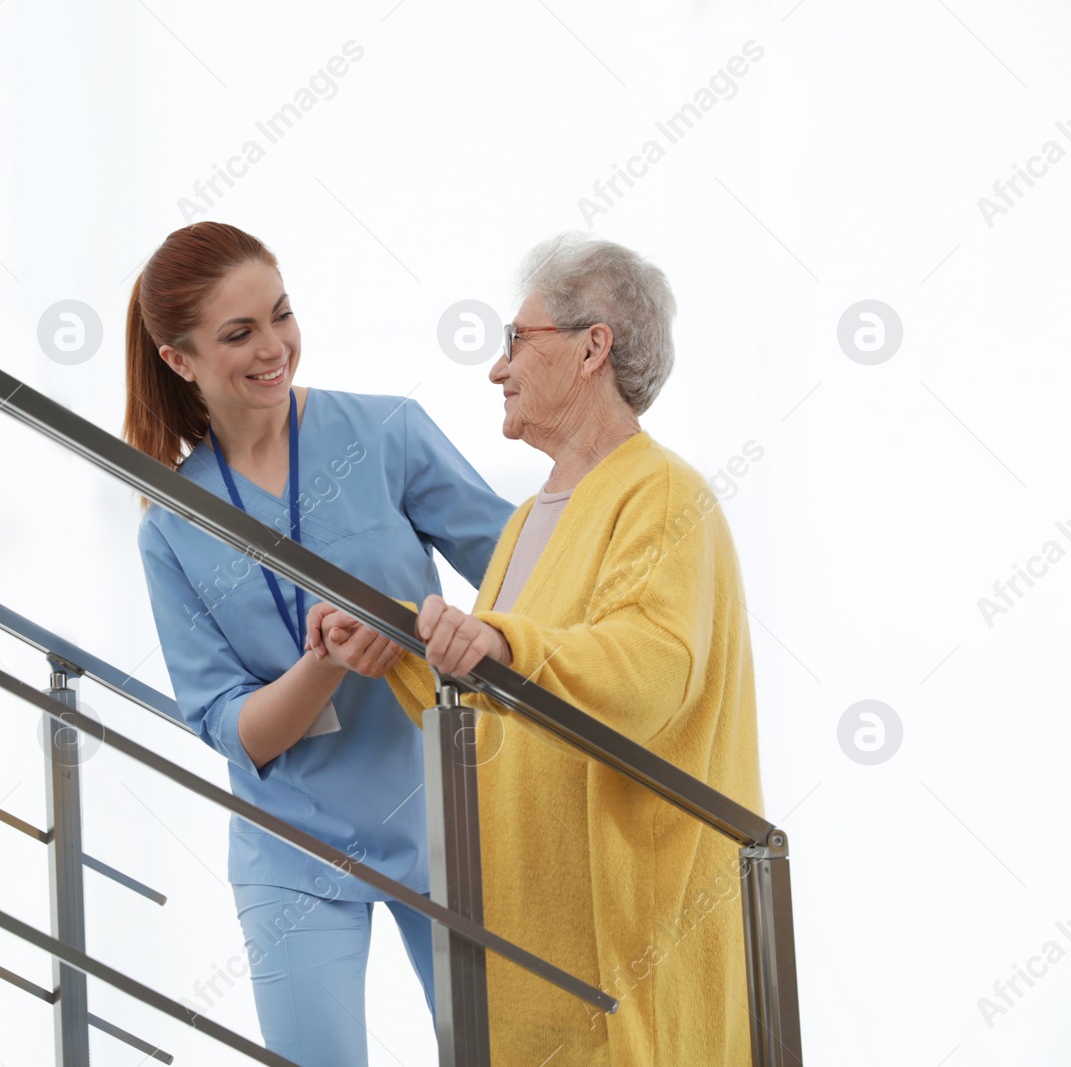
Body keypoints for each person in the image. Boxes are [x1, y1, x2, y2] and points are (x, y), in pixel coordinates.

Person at [309, 232, 764, 1066]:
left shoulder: (661, 492)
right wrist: (402, 645)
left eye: (516, 340)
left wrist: (501, 639)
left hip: (620, 949)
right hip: (526, 944)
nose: (497, 368)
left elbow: (650, 670)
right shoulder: (529, 519)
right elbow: (500, 695)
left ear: (595, 347)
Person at [127, 221, 514, 1067]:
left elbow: (526, 577)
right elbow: (236, 731)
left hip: (442, 821)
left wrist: (475, 630)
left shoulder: (388, 435)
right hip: (292, 848)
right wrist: (322, 664)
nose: (274, 348)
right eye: (239, 333)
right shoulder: (172, 529)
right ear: (178, 358)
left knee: (504, 1052)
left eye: (281, 315)